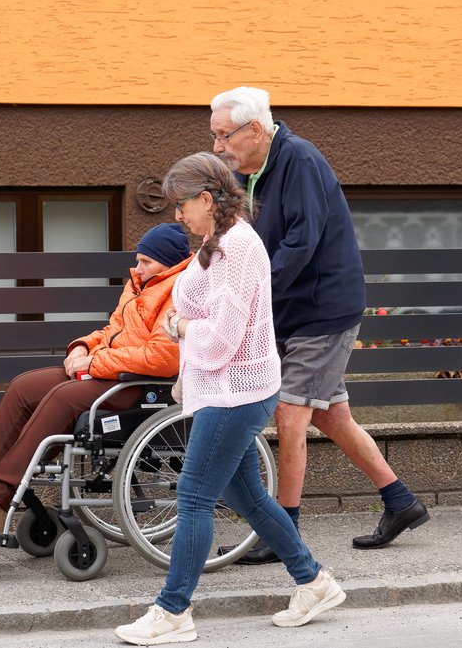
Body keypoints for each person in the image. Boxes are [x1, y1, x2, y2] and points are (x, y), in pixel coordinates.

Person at [114, 152, 345, 645]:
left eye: (181, 205)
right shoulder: (213, 245)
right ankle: (313, 581)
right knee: (249, 499)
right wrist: (186, 321)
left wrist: (181, 326)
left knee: (193, 496)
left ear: (205, 199)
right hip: (223, 387)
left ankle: (173, 611)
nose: (177, 215)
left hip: (236, 390)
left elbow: (218, 338)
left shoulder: (238, 248)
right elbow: (187, 304)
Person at [207, 86, 429, 564]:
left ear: (255, 130)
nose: (218, 147)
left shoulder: (299, 161)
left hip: (322, 310)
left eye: (224, 136)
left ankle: (281, 531)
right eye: (214, 137)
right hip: (291, 309)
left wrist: (253, 292)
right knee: (330, 415)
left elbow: (302, 241)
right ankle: (401, 501)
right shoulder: (249, 172)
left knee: (291, 415)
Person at [0, 223, 193, 536]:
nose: (137, 267)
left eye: (146, 262)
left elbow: (162, 357)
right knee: (24, 386)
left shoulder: (178, 291)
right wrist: (83, 345)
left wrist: (95, 361)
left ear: (169, 262)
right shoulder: (138, 284)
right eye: (138, 259)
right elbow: (113, 332)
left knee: (63, 397)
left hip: (139, 387)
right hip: (109, 372)